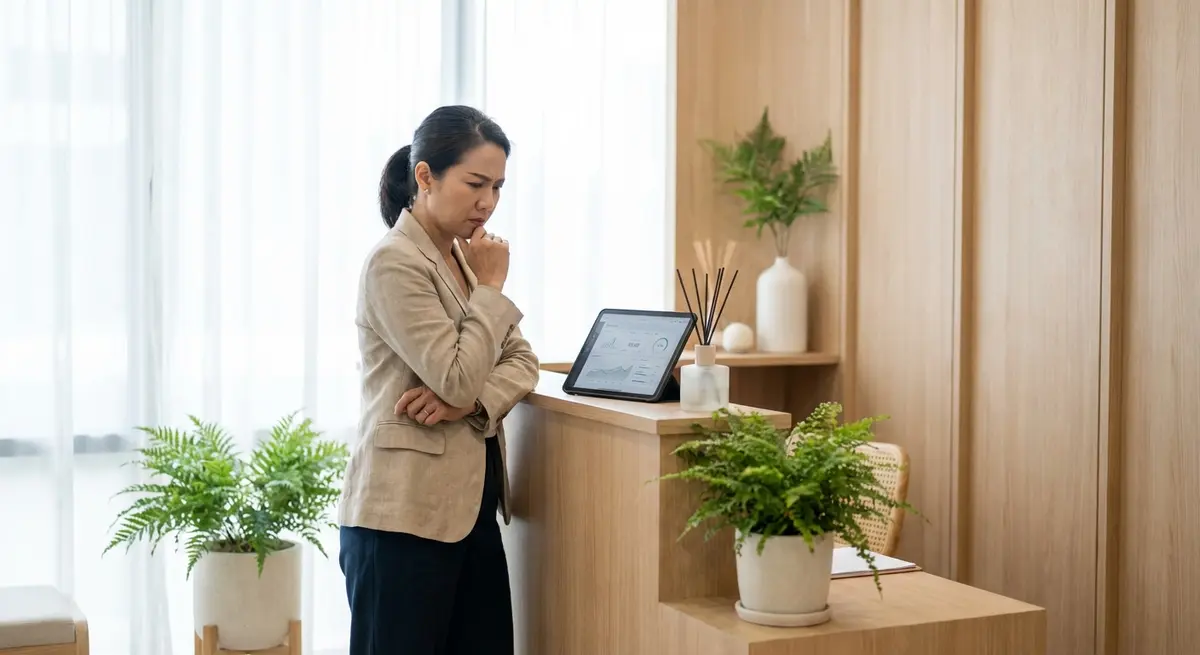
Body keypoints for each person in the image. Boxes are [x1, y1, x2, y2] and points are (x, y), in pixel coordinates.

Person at [337, 105, 539, 655]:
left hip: (469, 514)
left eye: (498, 187)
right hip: (400, 521)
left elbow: (522, 360)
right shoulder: (394, 263)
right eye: (475, 183)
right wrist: (492, 290)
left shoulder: (462, 259)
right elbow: (454, 377)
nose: (488, 202)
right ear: (424, 176)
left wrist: (470, 408)